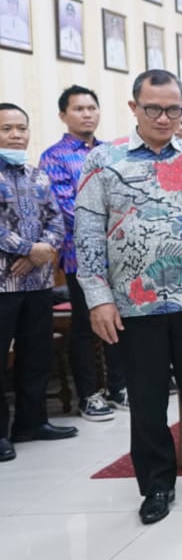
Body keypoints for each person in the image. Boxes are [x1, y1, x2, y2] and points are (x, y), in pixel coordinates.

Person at [76, 70, 182, 523]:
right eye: (154, 108)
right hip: (134, 302)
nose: (164, 117)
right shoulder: (104, 161)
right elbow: (87, 234)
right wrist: (98, 298)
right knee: (147, 398)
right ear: (134, 108)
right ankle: (156, 486)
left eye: (174, 109)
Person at [40, 85, 129, 422]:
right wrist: (110, 225)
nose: (87, 114)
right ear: (63, 115)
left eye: (92, 108)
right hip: (82, 258)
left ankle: (119, 387)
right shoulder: (54, 157)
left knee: (119, 321)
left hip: (119, 255)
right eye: (78, 109)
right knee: (84, 325)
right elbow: (67, 208)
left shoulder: (112, 153)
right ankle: (89, 395)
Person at [0, 102, 78, 463]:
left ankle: (32, 423)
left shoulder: (38, 176)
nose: (16, 135)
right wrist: (29, 249)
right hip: (3, 285)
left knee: (36, 355)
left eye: (22, 128)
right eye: (7, 129)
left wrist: (39, 252)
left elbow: (57, 221)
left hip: (38, 283)